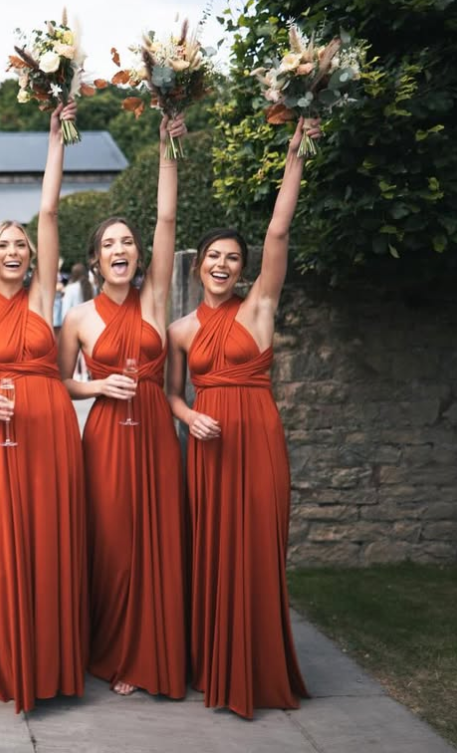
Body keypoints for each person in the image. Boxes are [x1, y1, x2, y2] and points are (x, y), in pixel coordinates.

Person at [167, 117, 320, 719]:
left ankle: (258, 671)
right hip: (209, 448)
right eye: (214, 257)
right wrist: (188, 417)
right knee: (212, 554)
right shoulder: (180, 330)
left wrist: (295, 155)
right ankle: (216, 668)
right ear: (199, 265)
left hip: (258, 441)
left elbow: (278, 231)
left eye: (233, 258)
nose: (223, 265)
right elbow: (169, 395)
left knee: (257, 550)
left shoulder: (259, 305)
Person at [0, 102, 87, 713]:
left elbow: (49, 210)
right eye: (3, 245)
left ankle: (56, 662)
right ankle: (13, 661)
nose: (14, 250)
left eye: (21, 245)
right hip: (1, 433)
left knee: (51, 539)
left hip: (52, 429)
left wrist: (54, 140)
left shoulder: (42, 297)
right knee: (9, 544)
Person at [59, 114, 189, 699]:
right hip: (107, 437)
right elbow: (61, 382)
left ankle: (153, 652)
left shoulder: (156, 296)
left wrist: (167, 143)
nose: (121, 249)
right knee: (112, 546)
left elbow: (166, 218)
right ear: (95, 259)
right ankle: (112, 652)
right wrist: (98, 388)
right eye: (110, 244)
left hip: (158, 433)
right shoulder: (80, 318)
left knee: (159, 540)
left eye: (127, 243)